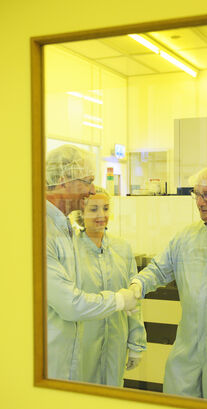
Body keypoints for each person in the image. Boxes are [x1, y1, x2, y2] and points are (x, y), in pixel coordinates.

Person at [129, 166, 207, 399]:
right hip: (187, 352)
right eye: (197, 194)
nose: (201, 202)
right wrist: (137, 286)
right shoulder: (186, 237)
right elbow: (160, 269)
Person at [46, 144, 138, 381]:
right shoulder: (42, 229)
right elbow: (70, 303)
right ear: (65, 180)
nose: (90, 190)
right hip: (52, 359)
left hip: (71, 357)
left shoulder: (62, 227)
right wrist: (119, 299)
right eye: (87, 182)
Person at [70, 187, 147, 386]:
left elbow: (134, 301)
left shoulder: (122, 248)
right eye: (93, 209)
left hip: (116, 341)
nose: (101, 215)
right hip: (82, 344)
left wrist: (136, 343)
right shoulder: (71, 250)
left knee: (113, 399)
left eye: (105, 208)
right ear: (81, 213)